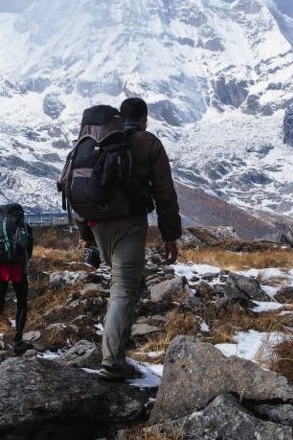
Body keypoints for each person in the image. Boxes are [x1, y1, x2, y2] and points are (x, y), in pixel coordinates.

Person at [79, 97, 182, 381]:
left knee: (125, 285)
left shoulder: (95, 141)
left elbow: (80, 183)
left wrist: (85, 235)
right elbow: (164, 193)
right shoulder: (148, 142)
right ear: (144, 118)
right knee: (124, 289)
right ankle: (112, 362)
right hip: (129, 226)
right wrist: (170, 236)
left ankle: (114, 353)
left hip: (96, 223)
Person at [0, 204, 35, 360]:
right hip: (16, 266)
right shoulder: (24, 226)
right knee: (22, 302)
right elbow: (28, 252)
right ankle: (18, 340)